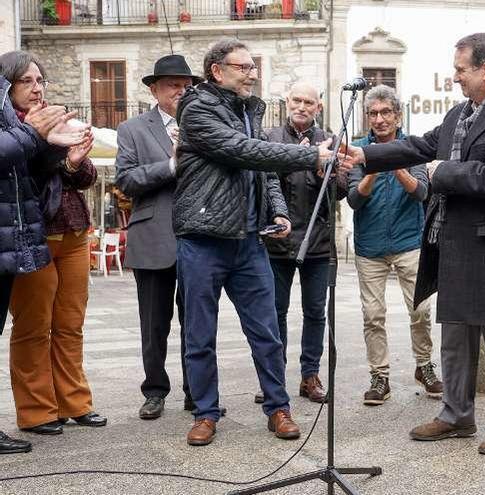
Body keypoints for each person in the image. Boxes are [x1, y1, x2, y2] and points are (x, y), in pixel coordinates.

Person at [340, 33, 485, 455]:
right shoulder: (457, 114)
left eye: (460, 70)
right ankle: (455, 415)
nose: (455, 78)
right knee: (455, 337)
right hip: (454, 244)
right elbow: (417, 145)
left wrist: (439, 171)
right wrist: (366, 156)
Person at [174, 38, 339, 446]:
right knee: (199, 334)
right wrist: (308, 157)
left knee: (266, 330)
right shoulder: (197, 110)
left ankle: (278, 408)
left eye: (253, 66)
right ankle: (206, 413)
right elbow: (241, 150)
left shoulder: (248, 110)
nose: (252, 73)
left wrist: (278, 211)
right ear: (217, 70)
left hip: (249, 241)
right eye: (243, 67)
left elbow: (262, 170)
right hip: (203, 238)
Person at [1, 51, 107, 436]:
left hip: (75, 230)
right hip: (33, 236)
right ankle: (37, 411)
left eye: (40, 80)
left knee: (70, 323)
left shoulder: (54, 118)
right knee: (33, 326)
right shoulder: (9, 127)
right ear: (6, 86)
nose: (36, 88)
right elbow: (19, 174)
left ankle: (75, 402)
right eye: (26, 81)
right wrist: (45, 141)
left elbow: (84, 178)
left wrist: (76, 161)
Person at [116, 54, 222, 420]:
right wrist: (172, 165)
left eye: (186, 85)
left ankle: (198, 393)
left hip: (199, 236)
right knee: (154, 323)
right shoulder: (132, 129)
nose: (181, 91)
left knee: (198, 322)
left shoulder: (204, 125)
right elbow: (127, 180)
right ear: (154, 89)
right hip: (152, 236)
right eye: (173, 85)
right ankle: (155, 391)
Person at [346, 84, 440, 406]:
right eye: (373, 113)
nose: (380, 119)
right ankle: (380, 377)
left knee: (421, 309)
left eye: (386, 112)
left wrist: (395, 164)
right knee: (373, 315)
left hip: (408, 241)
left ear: (398, 115)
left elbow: (422, 193)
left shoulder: (412, 148)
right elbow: (354, 199)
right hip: (369, 245)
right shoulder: (357, 149)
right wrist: (372, 168)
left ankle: (424, 365)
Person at [257, 81, 345, 404]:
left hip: (318, 242)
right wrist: (302, 158)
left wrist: (327, 175)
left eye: (309, 102)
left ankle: (310, 376)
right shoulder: (269, 139)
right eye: (297, 100)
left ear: (318, 107)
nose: (302, 107)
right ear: (287, 102)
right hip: (278, 242)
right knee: (274, 312)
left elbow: (343, 191)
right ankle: (273, 377)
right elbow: (263, 185)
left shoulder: (330, 139)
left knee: (315, 312)